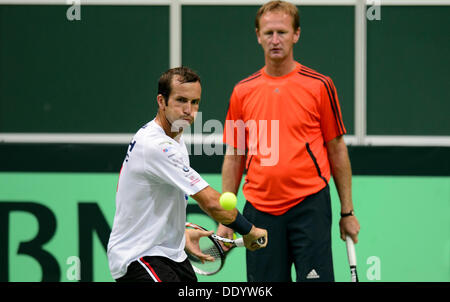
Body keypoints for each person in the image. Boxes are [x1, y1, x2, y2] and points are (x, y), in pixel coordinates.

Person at [218, 0, 360, 282]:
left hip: (310, 209)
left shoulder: (320, 86)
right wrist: (228, 218)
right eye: (268, 33)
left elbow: (337, 149)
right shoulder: (241, 92)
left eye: (282, 32)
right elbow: (234, 156)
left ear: (296, 34)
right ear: (258, 36)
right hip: (259, 213)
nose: (275, 40)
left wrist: (348, 212)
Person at [107, 66, 268, 282]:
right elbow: (212, 203)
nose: (189, 111)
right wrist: (248, 230)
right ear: (161, 101)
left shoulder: (174, 139)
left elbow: (154, 201)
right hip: (139, 256)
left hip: (170, 254)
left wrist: (180, 234)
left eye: (195, 102)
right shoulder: (156, 146)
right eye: (181, 100)